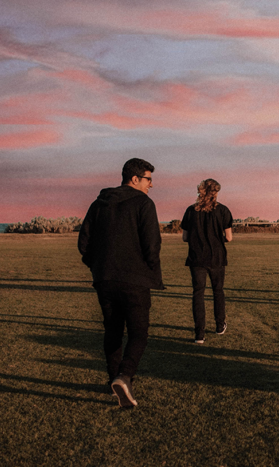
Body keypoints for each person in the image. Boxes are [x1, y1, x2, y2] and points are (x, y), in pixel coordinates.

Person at [78, 158, 164, 409]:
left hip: (104, 279)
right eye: (148, 179)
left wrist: (97, 266)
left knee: (113, 330)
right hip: (134, 279)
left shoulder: (98, 204)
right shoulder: (143, 203)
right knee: (139, 333)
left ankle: (114, 380)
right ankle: (124, 376)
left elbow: (84, 243)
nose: (151, 184)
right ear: (135, 179)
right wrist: (148, 268)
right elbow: (152, 245)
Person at [181, 178, 233, 344]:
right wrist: (217, 240)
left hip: (197, 258)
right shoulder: (223, 210)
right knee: (218, 291)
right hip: (216, 257)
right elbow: (229, 238)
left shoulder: (191, 210)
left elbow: (185, 237)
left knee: (198, 293)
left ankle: (199, 334)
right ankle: (219, 326)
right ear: (216, 193)